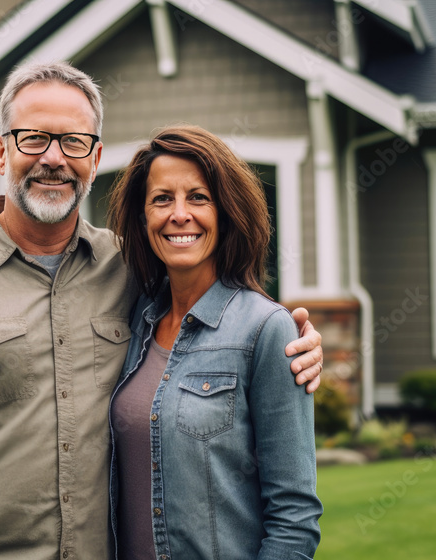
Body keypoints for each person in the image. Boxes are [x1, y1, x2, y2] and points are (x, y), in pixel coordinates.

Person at [0, 61, 323, 560]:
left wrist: (295, 349)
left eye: (73, 141)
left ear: (94, 159)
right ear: (1, 150)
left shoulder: (130, 269)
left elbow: (216, 319)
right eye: (34, 138)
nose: (54, 158)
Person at [107, 125, 323, 559]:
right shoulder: (132, 320)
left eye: (198, 197)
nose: (179, 214)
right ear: (143, 217)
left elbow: (294, 518)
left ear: (225, 212)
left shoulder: (265, 330)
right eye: (162, 198)